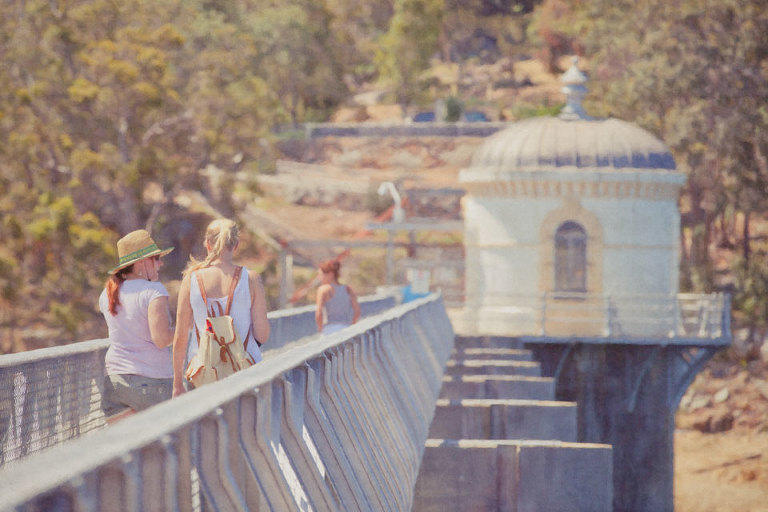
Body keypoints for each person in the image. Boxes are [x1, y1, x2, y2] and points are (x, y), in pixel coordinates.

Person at [172, 219, 270, 396]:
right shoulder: (251, 279)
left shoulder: (191, 279)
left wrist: (177, 384)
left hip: (203, 373)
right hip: (245, 371)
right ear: (236, 245)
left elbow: (180, 337)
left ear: (208, 244)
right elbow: (262, 334)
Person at [99, 229, 175, 423]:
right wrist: (185, 327)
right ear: (141, 263)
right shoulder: (153, 290)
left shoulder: (107, 293)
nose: (161, 263)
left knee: (125, 451)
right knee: (163, 449)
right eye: (156, 258)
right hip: (151, 382)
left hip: (114, 383)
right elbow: (161, 339)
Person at [315, 259, 360, 335]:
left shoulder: (323, 289)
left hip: (330, 329)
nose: (319, 277)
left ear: (330, 274)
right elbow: (357, 311)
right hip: (346, 329)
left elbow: (319, 313)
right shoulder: (348, 289)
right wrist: (352, 325)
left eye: (321, 274)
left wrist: (320, 329)